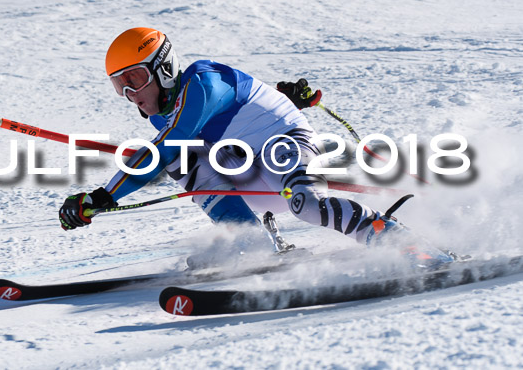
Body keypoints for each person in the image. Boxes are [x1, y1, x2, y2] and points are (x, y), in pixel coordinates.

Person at [58, 27, 451, 267]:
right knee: (183, 158)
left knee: (309, 206)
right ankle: (249, 245)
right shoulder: (165, 116)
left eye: (136, 78)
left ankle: (405, 244)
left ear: (163, 67)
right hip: (252, 178)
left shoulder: (201, 82)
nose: (130, 93)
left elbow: (169, 142)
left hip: (287, 149)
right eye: (119, 85)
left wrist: (103, 195)